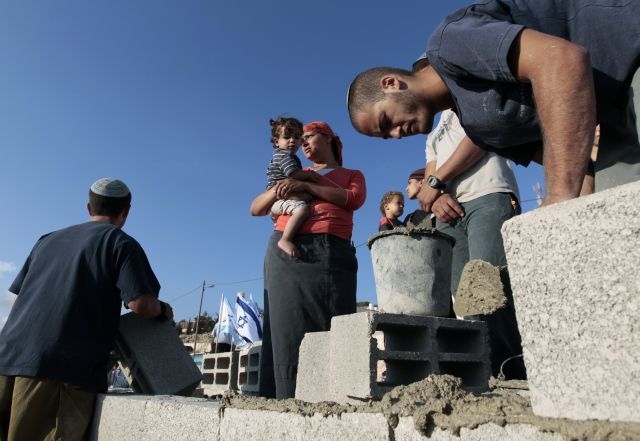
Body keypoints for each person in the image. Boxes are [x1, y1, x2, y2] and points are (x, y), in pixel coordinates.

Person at [348, 0, 640, 206]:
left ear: (391, 83)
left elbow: (560, 62)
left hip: (628, 48)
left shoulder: (448, 44)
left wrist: (559, 201)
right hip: (618, 115)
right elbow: (576, 166)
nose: (397, 134)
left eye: (386, 122)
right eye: (387, 137)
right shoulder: (480, 128)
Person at [0, 178, 172, 441]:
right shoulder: (120, 243)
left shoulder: (46, 240)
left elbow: (18, 300)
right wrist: (163, 310)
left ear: (89, 208)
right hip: (57, 374)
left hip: (7, 360)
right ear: (125, 212)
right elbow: (141, 305)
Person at [251, 121, 366, 399]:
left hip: (330, 251)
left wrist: (308, 187)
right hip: (283, 252)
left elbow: (352, 199)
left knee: (330, 323)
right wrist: (280, 188)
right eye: (298, 139)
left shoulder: (351, 174)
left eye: (309, 136)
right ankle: (282, 399)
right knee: (283, 327)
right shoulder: (292, 174)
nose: (302, 143)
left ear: (328, 138)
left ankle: (331, 400)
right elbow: (256, 207)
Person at [425, 109, 526, 379]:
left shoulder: (471, 99)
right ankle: (482, 374)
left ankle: (511, 373)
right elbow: (428, 182)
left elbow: (481, 137)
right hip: (448, 212)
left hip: (488, 195)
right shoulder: (435, 133)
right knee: (465, 301)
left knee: (490, 290)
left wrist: (437, 183)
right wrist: (434, 197)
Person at [266, 117, 320, 257]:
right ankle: (285, 239)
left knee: (305, 200)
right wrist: (309, 176)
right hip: (279, 197)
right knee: (302, 210)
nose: (292, 140)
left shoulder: (283, 155)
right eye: (287, 137)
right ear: (277, 141)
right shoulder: (285, 156)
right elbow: (293, 173)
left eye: (296, 137)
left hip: (279, 198)